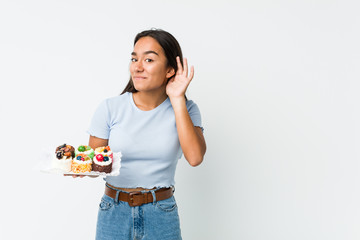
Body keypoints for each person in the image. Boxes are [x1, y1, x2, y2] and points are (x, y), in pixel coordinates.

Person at [81, 29, 205, 240]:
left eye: (148, 59)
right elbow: (93, 163)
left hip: (161, 212)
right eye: (134, 58)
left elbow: (195, 158)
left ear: (169, 70)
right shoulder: (110, 108)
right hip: (114, 211)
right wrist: (78, 166)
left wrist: (177, 99)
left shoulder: (186, 109)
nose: (137, 67)